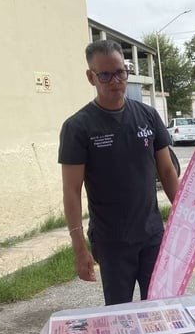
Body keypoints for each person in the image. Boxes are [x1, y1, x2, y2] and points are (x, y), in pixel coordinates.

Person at [59, 40, 180, 305]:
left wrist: (184, 217)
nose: (115, 81)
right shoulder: (78, 127)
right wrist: (78, 246)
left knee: (161, 306)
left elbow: (167, 170)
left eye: (120, 72)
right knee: (119, 315)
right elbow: (71, 191)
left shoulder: (148, 116)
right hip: (112, 242)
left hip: (152, 236)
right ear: (91, 77)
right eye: (105, 75)